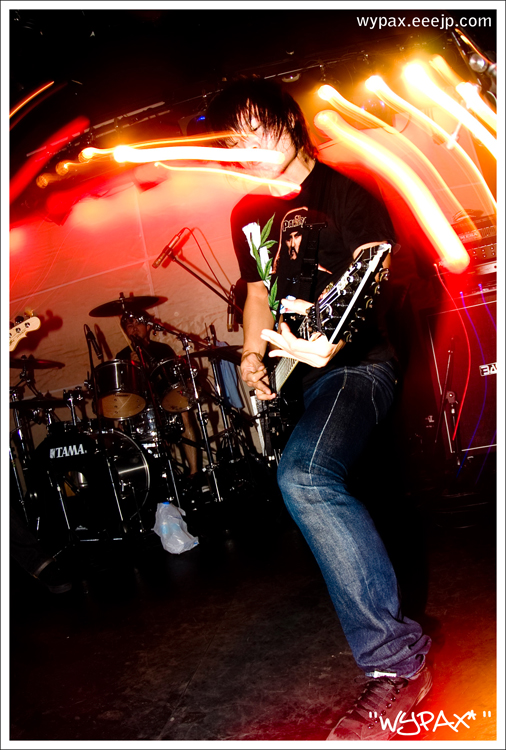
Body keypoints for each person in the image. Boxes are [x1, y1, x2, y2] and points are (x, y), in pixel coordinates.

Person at [206, 77, 432, 741]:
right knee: (315, 480)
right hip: (303, 377)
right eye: (232, 141)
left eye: (255, 131)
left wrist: (334, 334)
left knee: (304, 476)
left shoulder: (350, 191)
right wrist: (253, 355)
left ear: (291, 121)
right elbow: (256, 292)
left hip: (360, 364)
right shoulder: (247, 214)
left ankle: (399, 663)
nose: (244, 149)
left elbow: (373, 271)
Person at [116, 312, 199, 477]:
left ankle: (194, 472)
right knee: (120, 425)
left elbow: (173, 381)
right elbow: (124, 392)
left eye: (138, 324)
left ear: (148, 327)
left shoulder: (162, 349)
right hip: (139, 404)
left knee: (184, 413)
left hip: (165, 400)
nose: (134, 329)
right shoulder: (122, 356)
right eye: (130, 326)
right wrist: (133, 367)